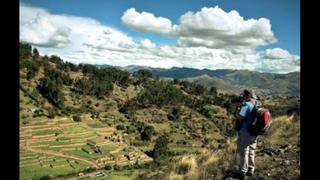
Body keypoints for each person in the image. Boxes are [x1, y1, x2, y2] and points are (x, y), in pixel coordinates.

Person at [235, 89, 259, 179]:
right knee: (251, 150)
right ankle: (251, 169)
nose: (243, 97)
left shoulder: (246, 105)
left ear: (247, 96)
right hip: (254, 130)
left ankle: (242, 171)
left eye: (244, 96)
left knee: (244, 151)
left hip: (245, 131)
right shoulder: (256, 102)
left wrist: (237, 108)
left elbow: (240, 117)